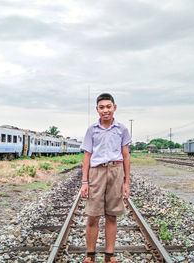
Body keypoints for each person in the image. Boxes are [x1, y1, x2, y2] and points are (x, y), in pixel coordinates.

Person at [80, 93, 131, 263]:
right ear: (97, 110)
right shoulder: (92, 130)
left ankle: (109, 256)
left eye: (108, 106)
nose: (105, 110)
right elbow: (87, 156)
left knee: (112, 215)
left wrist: (126, 183)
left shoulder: (122, 129)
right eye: (101, 107)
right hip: (97, 172)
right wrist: (85, 182)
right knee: (93, 215)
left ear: (114, 108)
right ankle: (90, 256)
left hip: (116, 171)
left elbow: (126, 155)